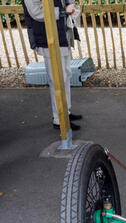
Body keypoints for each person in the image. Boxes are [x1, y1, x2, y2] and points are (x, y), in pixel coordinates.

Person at [22, 0, 83, 131]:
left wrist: (70, 4)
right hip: (48, 36)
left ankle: (65, 113)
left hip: (60, 33)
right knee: (56, 79)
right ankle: (59, 119)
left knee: (65, 75)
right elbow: (36, 12)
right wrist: (62, 11)